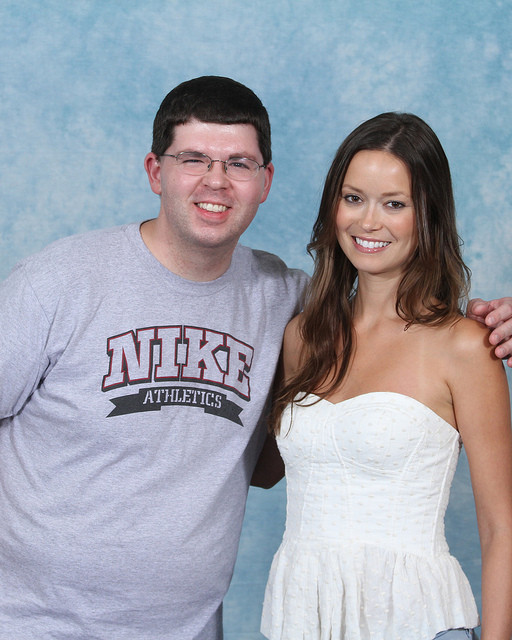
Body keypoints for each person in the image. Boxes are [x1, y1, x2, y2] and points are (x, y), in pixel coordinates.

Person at [0, 78, 510, 640]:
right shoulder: (61, 281)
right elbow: (284, 456)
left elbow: (499, 525)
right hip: (38, 624)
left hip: (219, 628)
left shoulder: (293, 305)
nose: (215, 181)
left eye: (238, 164)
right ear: (154, 171)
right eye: (193, 159)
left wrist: (496, 322)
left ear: (265, 181)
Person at [260, 113, 512, 640]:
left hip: (416, 619)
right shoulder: (302, 336)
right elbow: (257, 467)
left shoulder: (465, 345)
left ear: (428, 215)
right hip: (304, 617)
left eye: (394, 204)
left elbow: (501, 527)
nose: (368, 222)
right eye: (353, 198)